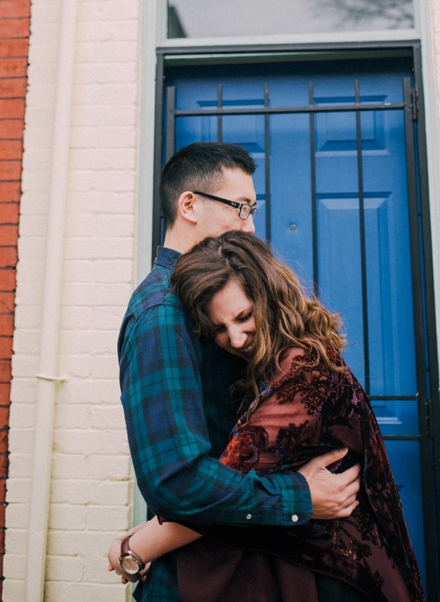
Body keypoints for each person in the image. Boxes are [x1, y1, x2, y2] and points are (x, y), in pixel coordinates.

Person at [108, 232, 424, 602]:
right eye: (220, 329)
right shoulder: (286, 359)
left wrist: (137, 547)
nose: (237, 338)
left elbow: (227, 485)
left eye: (243, 317)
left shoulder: (302, 375)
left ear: (270, 296)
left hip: (337, 576)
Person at [115, 143, 361, 600]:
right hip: (207, 577)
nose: (250, 224)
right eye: (241, 208)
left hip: (250, 562)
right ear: (189, 204)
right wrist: (299, 496)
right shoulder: (165, 312)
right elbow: (176, 479)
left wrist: (149, 537)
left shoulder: (223, 289)